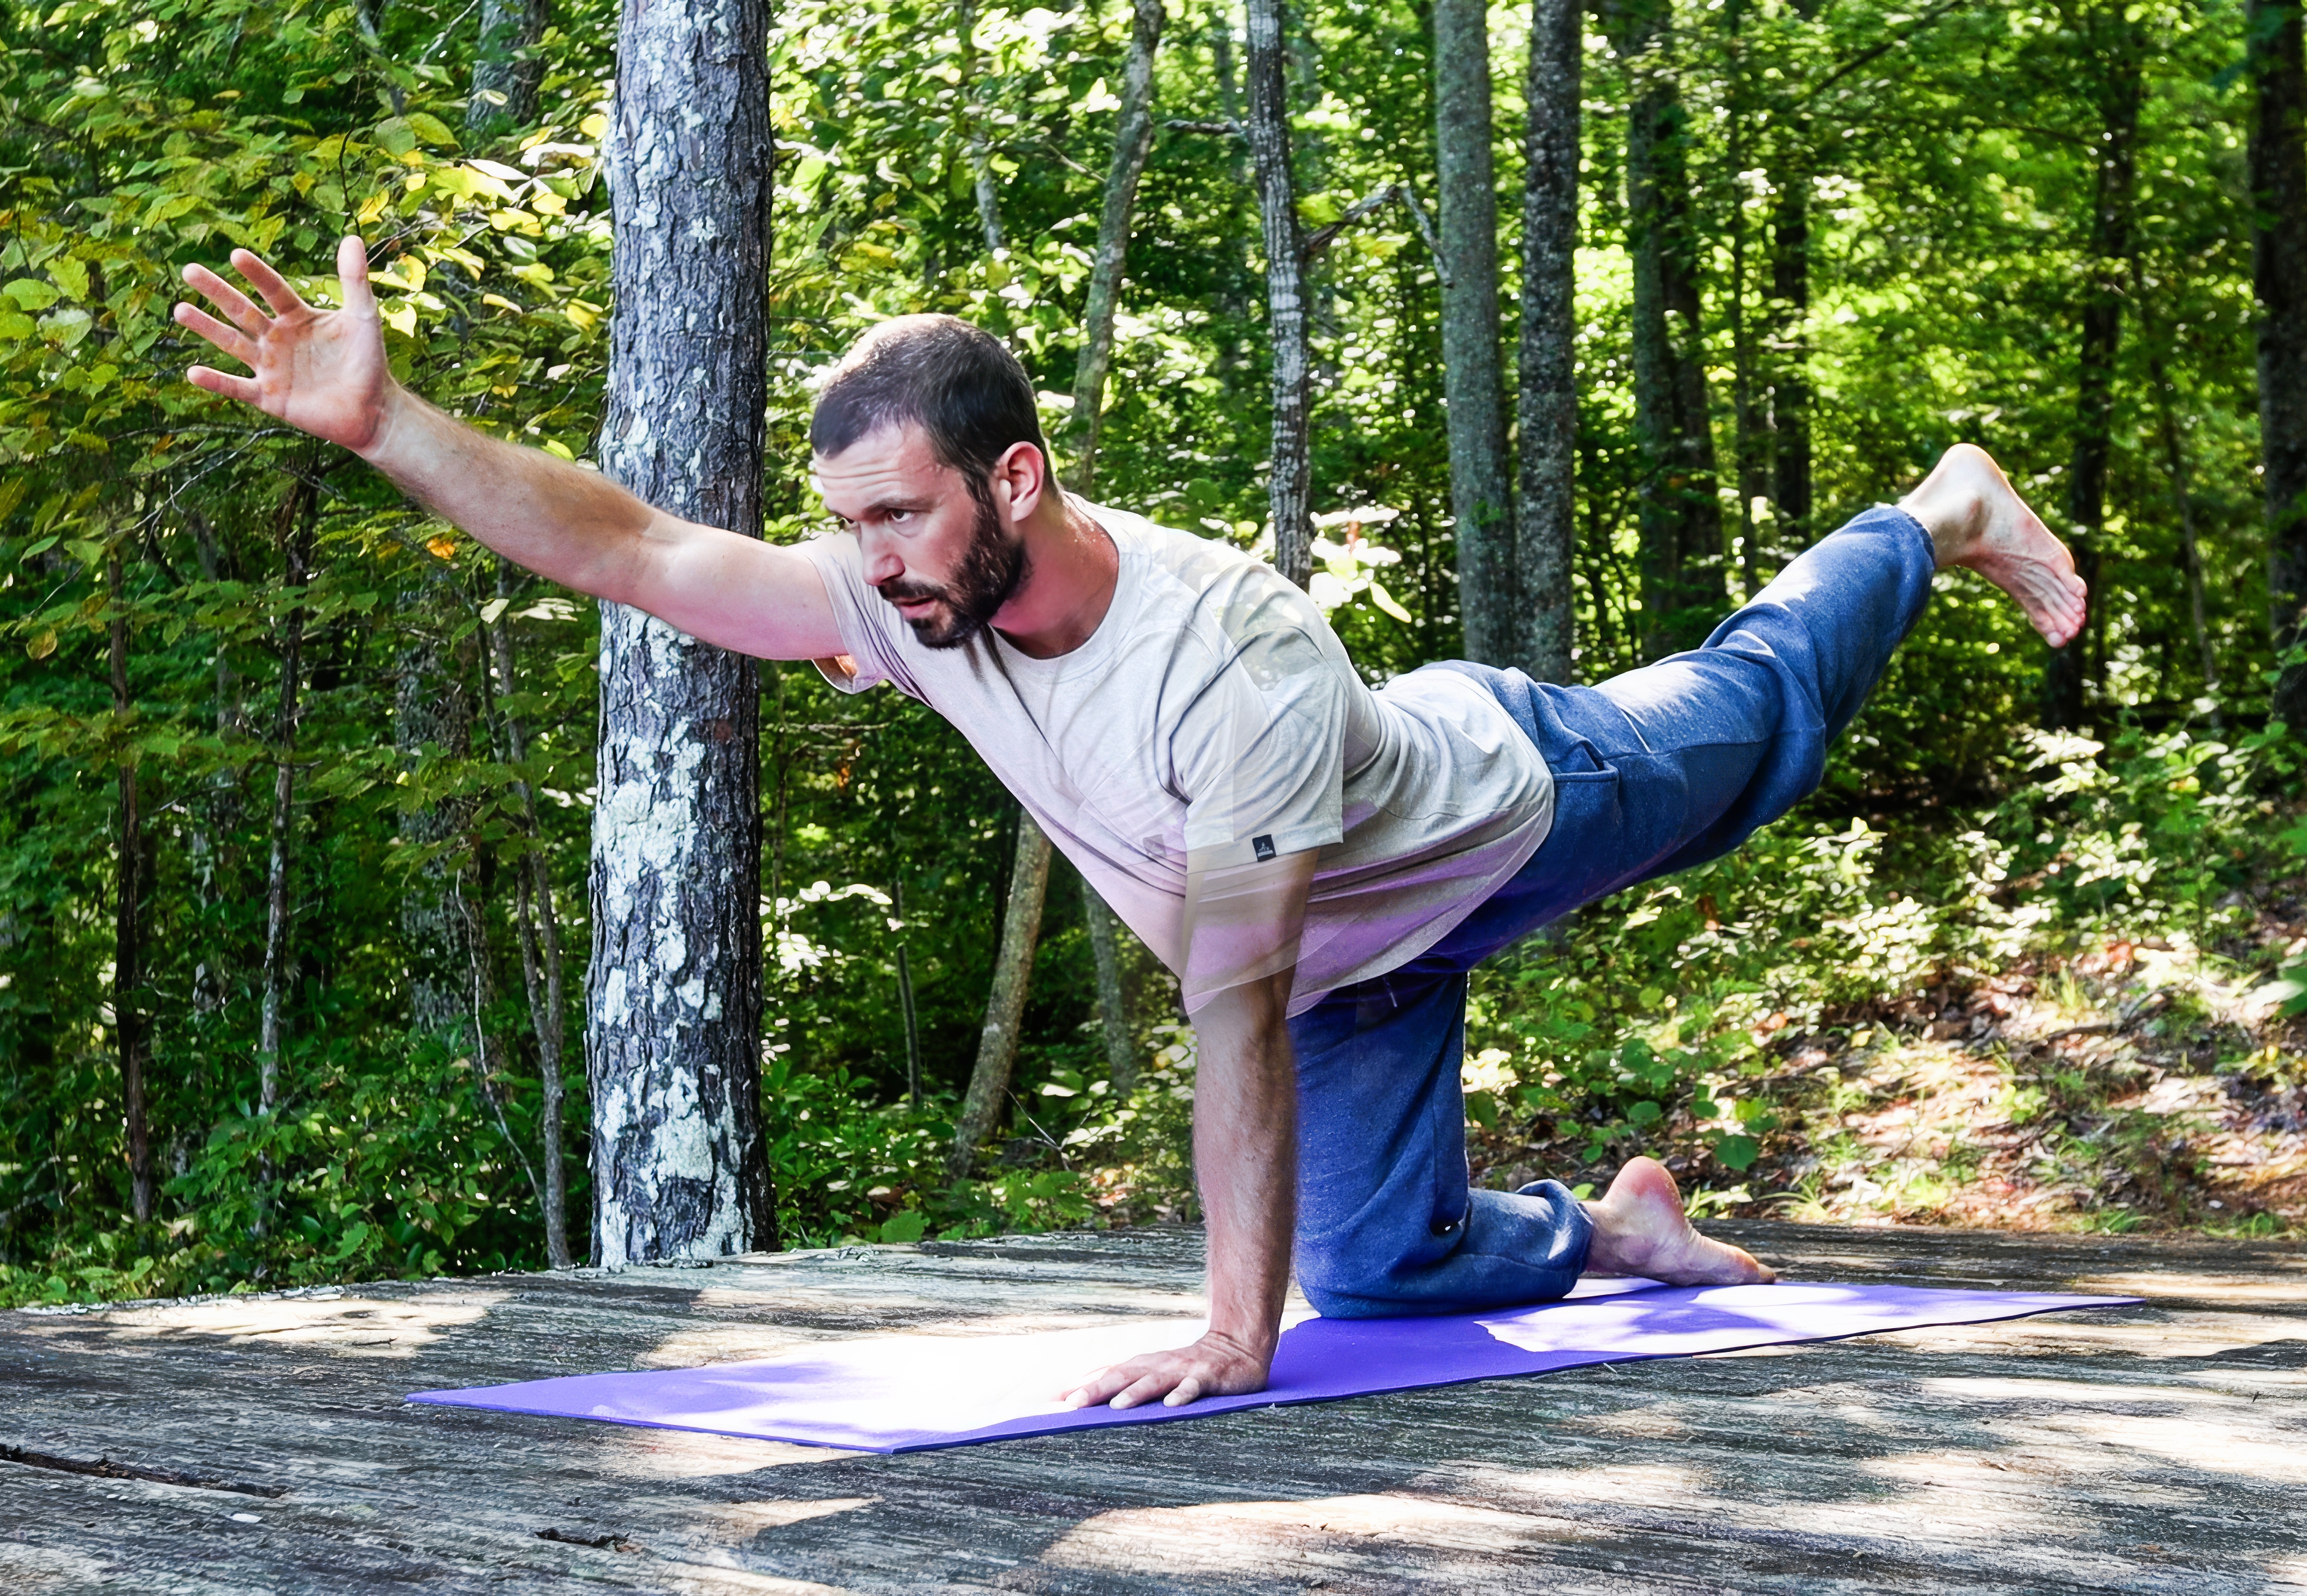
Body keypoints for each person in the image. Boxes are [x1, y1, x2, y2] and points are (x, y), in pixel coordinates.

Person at [175, 237, 2086, 1414]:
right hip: (1349, 966)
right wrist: (391, 424)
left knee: (1756, 717)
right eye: (846, 526)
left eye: (899, 517)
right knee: (1381, 1274)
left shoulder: (1226, 659)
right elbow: (639, 549)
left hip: (1505, 803)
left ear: (1013, 477)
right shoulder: (901, 600)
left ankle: (1935, 509)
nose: (869, 563)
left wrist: (1230, 1339)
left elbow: (1230, 1005)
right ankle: (1615, 1228)